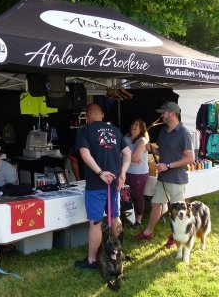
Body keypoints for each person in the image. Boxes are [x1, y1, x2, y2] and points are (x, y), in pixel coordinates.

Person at [74, 103, 131, 269]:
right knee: (115, 217)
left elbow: (84, 154)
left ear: (87, 116)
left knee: (96, 223)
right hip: (114, 182)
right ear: (102, 115)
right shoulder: (114, 130)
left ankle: (92, 260)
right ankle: (118, 253)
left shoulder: (84, 130)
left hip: (96, 184)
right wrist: (123, 173)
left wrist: (100, 173)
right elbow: (128, 153)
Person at [132, 101, 194, 248]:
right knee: (155, 204)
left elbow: (190, 158)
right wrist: (151, 149)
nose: (161, 115)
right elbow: (163, 151)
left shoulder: (183, 133)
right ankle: (148, 233)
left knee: (178, 211)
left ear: (172, 113)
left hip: (177, 178)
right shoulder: (163, 131)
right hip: (163, 177)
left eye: (164, 112)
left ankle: (176, 236)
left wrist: (168, 166)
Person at [125, 119, 150, 230]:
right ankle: (129, 218)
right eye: (133, 124)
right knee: (125, 196)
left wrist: (125, 156)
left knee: (137, 196)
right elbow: (117, 154)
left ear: (141, 129)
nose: (133, 126)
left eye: (137, 125)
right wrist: (130, 156)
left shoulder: (142, 140)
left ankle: (138, 221)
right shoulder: (125, 138)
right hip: (126, 172)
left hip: (139, 174)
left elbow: (135, 158)